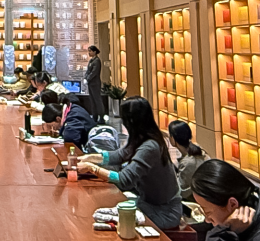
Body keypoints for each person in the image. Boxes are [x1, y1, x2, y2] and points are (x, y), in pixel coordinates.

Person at [76, 96, 185, 229]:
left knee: (107, 218)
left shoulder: (150, 147)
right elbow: (119, 155)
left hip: (164, 213)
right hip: (147, 205)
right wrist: (90, 158)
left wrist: (91, 168)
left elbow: (124, 179)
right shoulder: (142, 139)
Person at [167, 119, 207, 195]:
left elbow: (182, 192)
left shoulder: (187, 163)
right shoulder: (199, 149)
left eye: (170, 135)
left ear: (173, 138)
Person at [83, 43, 107, 117]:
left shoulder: (97, 61)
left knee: (97, 100)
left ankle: (101, 116)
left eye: (90, 51)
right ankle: (94, 116)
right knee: (92, 100)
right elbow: (88, 71)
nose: (89, 53)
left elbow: (94, 72)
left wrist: (88, 78)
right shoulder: (91, 61)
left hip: (95, 83)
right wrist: (85, 77)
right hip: (90, 83)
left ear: (94, 52)